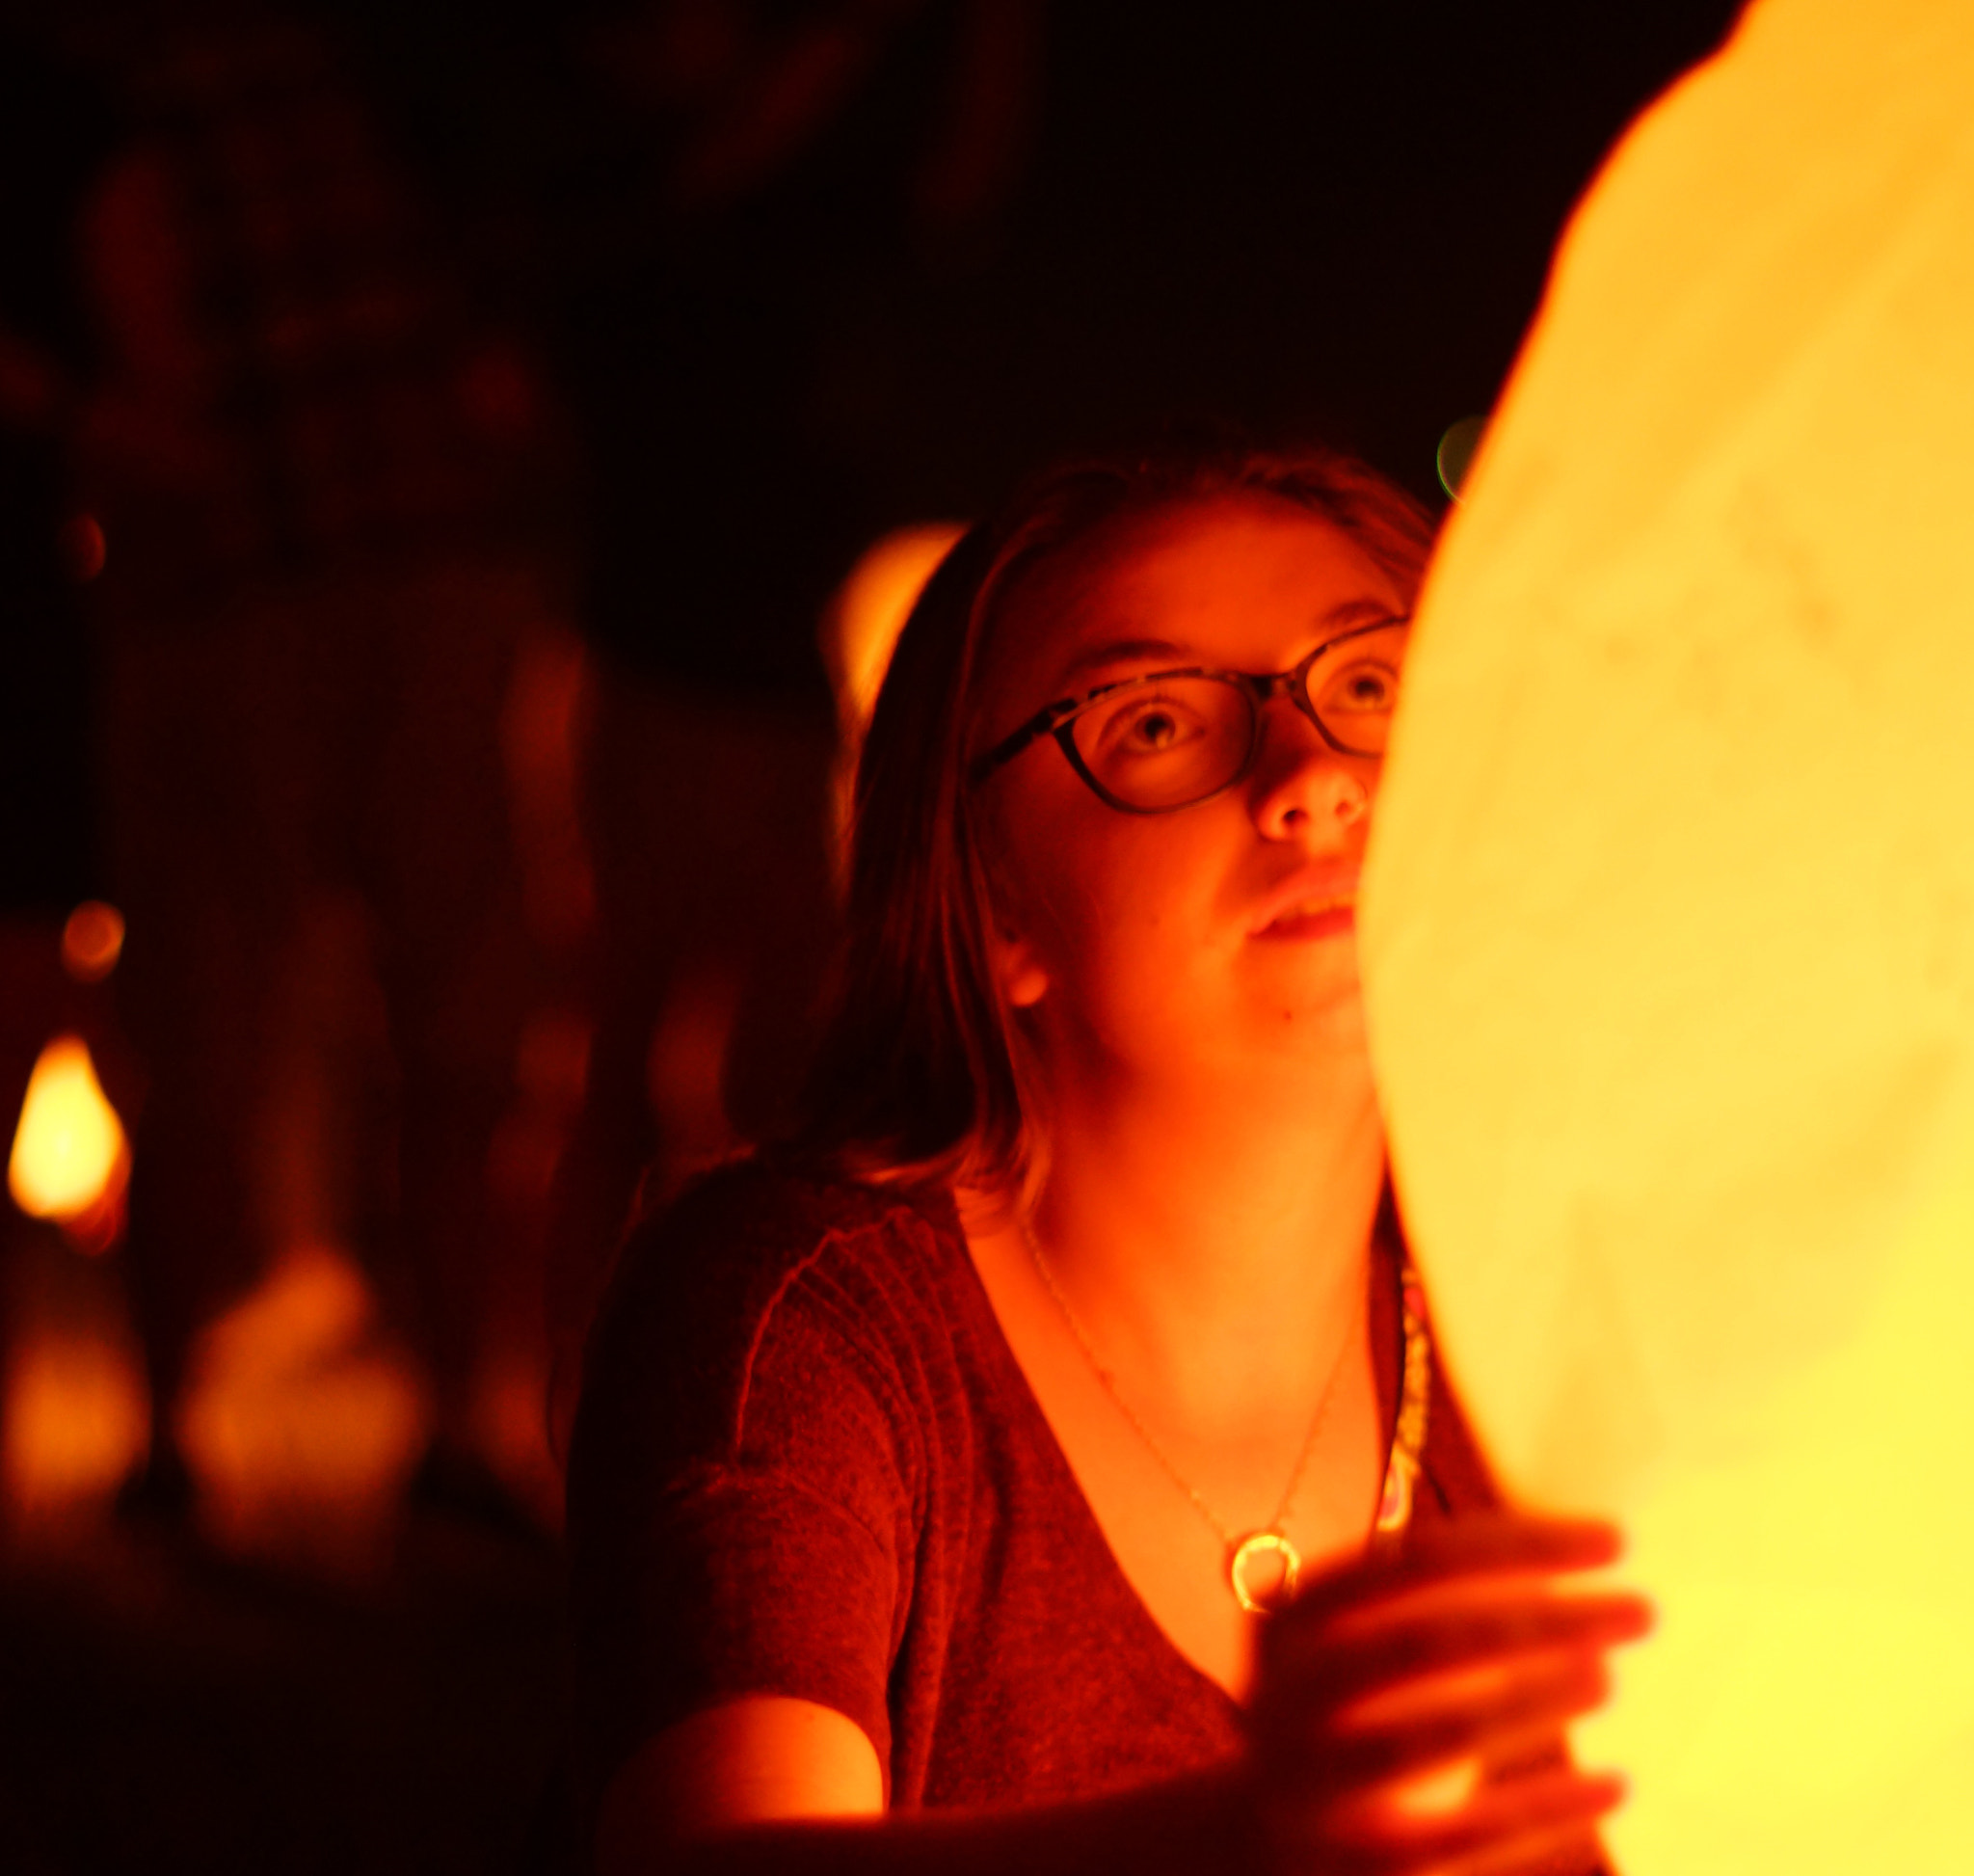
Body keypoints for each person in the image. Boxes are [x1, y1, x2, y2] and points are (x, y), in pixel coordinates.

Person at [567, 440, 1650, 1876]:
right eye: (1154, 722)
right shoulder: (805, 1319)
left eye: (1372, 686)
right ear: (991, 901)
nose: (1314, 773)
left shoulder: (1548, 1342)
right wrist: (1256, 1835)